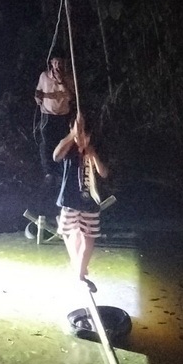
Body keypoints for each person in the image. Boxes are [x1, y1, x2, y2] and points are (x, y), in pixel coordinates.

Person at [53, 114, 109, 292]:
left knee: (89, 237)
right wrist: (72, 134)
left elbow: (104, 173)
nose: (81, 138)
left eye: (84, 135)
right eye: (78, 134)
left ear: (90, 136)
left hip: (89, 202)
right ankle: (78, 265)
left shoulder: (93, 150)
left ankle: (81, 272)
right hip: (70, 200)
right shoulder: (68, 148)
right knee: (67, 232)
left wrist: (93, 156)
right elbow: (56, 156)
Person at [35, 54, 74, 184]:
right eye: (56, 62)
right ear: (51, 63)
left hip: (63, 115)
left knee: (62, 143)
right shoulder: (44, 76)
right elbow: (39, 90)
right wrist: (38, 97)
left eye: (60, 62)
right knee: (46, 142)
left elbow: (70, 97)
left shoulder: (68, 77)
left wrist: (61, 81)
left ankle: (62, 172)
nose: (58, 65)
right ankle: (48, 172)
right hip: (47, 114)